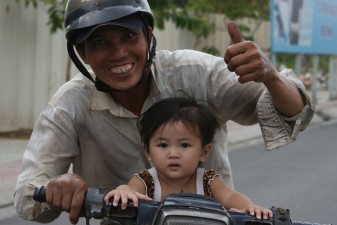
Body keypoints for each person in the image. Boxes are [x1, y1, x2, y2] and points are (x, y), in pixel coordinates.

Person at [14, 0, 315, 224]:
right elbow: (27, 195)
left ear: (148, 34)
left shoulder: (197, 73)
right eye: (100, 42)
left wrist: (271, 77)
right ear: (83, 54)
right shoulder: (68, 104)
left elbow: (293, 114)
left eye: (129, 37)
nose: (118, 53)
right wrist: (61, 187)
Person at [104, 97, 273, 220]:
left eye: (184, 145)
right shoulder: (147, 181)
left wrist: (250, 208)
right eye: (163, 145)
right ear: (148, 152)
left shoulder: (208, 181)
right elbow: (130, 189)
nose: (173, 154)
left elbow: (229, 197)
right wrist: (123, 191)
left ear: (204, 152)